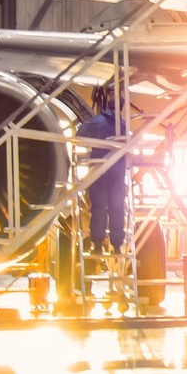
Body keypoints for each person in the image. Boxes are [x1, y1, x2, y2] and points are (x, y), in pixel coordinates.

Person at [76, 87, 129, 252]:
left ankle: (97, 244)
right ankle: (117, 244)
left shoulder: (97, 121)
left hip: (99, 171)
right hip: (118, 173)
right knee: (117, 207)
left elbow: (79, 136)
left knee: (99, 207)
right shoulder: (123, 124)